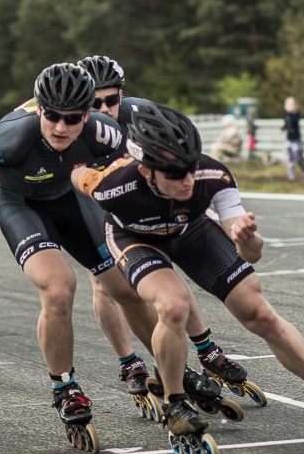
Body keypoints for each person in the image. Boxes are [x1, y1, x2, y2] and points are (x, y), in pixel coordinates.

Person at [71, 104, 304, 454]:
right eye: (175, 173)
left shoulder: (212, 175)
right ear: (146, 171)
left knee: (260, 313)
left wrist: (247, 238)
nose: (187, 180)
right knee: (173, 306)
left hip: (191, 232)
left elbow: (252, 254)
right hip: (135, 239)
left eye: (190, 167)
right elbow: (76, 173)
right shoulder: (113, 185)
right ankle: (176, 404)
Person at [0, 63, 154, 453]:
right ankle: (65, 387)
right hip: (21, 204)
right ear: (40, 110)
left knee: (126, 288)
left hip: (70, 200)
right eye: (52, 116)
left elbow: (129, 172)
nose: (61, 127)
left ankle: (174, 369)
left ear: (87, 114)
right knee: (60, 290)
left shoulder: (103, 131)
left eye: (72, 118)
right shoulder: (12, 137)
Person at [75, 55, 263, 410]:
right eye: (94, 102)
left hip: (141, 196)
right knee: (104, 281)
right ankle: (129, 363)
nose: (104, 108)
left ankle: (207, 349)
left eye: (111, 99)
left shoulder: (142, 113)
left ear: (121, 95)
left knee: (166, 270)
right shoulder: (72, 125)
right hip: (92, 197)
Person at [281, 97, 304, 180]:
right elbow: (286, 124)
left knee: (298, 157)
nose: (290, 106)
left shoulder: (296, 114)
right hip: (289, 139)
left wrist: (289, 126)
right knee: (289, 157)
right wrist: (283, 128)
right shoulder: (285, 115)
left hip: (296, 139)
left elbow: (293, 122)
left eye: (291, 104)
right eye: (288, 104)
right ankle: (291, 174)